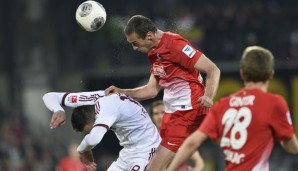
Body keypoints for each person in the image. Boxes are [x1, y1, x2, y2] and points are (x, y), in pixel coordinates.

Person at [105, 15, 220, 170]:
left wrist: (209, 96)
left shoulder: (175, 45)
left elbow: (213, 69)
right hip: (171, 114)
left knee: (153, 168)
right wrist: (121, 91)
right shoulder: (153, 53)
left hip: (187, 112)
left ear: (149, 36)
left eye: (135, 43)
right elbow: (151, 90)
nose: (134, 48)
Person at [166, 46, 298, 171]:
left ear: (242, 74)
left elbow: (192, 142)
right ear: (271, 74)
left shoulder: (223, 104)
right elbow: (292, 147)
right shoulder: (274, 103)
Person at [42, 90, 161, 171]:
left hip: (148, 149)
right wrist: (58, 109)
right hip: (129, 152)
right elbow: (49, 96)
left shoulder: (107, 109)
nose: (91, 132)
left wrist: (83, 150)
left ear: (93, 121)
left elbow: (94, 138)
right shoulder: (94, 99)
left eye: (90, 129)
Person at [150, 100, 204, 171]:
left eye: (163, 112)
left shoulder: (179, 136)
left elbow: (199, 162)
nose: (160, 116)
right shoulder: (148, 139)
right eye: (156, 114)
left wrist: (196, 169)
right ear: (152, 117)